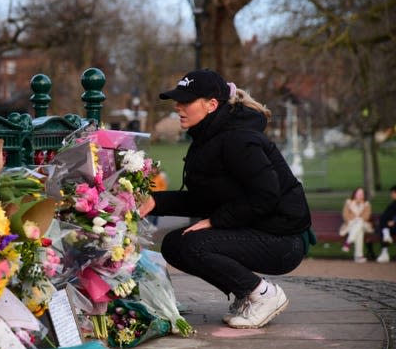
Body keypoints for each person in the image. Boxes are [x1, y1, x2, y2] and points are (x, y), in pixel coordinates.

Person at [139, 69, 313, 329]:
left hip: (284, 240)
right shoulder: (207, 137)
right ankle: (247, 295)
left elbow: (266, 194)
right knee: (175, 244)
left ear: (211, 105)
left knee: (193, 245)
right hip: (257, 228)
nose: (178, 106)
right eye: (178, 100)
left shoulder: (238, 138)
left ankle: (264, 295)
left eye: (186, 101)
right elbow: (205, 199)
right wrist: (156, 202)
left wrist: (215, 221)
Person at [339, 187, 374, 263]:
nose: (360, 195)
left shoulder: (366, 204)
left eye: (362, 194)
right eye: (358, 193)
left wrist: (357, 219)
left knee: (360, 222)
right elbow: (345, 215)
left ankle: (348, 242)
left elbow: (366, 217)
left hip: (365, 225)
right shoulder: (349, 203)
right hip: (351, 225)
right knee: (359, 230)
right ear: (354, 194)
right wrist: (356, 219)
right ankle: (358, 256)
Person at [376, 185, 396, 263]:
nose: (392, 195)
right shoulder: (393, 204)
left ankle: (384, 253)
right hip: (391, 227)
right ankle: (384, 253)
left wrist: (394, 221)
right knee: (383, 226)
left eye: (393, 193)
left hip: (393, 225)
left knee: (383, 228)